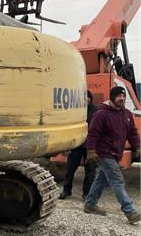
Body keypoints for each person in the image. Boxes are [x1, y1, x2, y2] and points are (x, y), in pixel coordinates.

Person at [83, 86, 141, 224]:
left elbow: (132, 132)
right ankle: (130, 211)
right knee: (117, 179)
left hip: (116, 152)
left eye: (124, 96)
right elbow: (93, 133)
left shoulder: (126, 114)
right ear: (112, 97)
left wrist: (137, 147)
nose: (122, 99)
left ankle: (90, 204)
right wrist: (90, 150)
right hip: (104, 152)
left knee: (101, 179)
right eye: (119, 96)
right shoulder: (101, 114)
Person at [60, 90, 97, 200]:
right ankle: (66, 190)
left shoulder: (96, 111)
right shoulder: (75, 110)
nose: (86, 99)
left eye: (88, 97)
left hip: (91, 146)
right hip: (77, 145)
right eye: (84, 97)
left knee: (90, 171)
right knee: (70, 169)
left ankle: (86, 194)